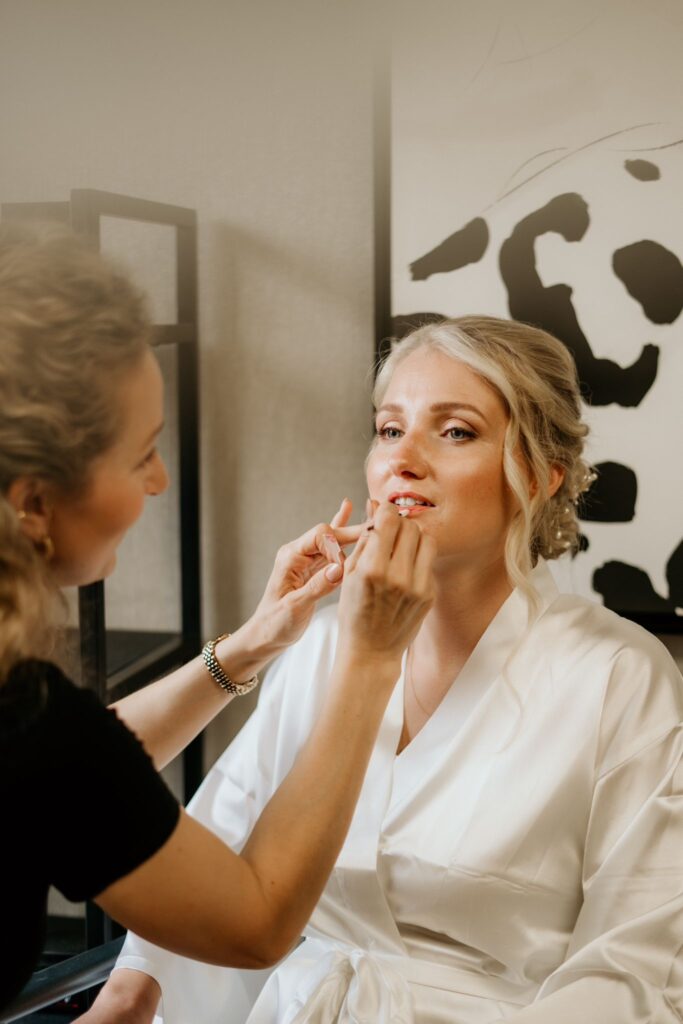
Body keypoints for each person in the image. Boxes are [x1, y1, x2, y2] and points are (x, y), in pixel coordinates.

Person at [94, 315, 683, 1024]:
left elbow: (633, 968)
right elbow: (213, 848)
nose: (403, 459)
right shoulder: (318, 646)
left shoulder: (619, 675)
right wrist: (131, 994)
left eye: (455, 431)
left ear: (537, 472)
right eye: (388, 428)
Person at [0, 221, 436, 1013]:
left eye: (456, 431)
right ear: (32, 502)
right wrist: (370, 661)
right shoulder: (33, 727)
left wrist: (249, 647)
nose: (160, 480)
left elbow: (70, 771)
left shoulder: (34, 728)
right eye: (143, 455)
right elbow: (257, 921)